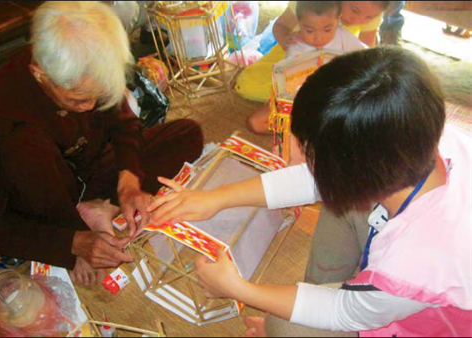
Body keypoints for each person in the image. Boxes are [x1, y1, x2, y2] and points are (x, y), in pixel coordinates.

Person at [148, 47, 472, 337]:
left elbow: (344, 311)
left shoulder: (416, 266)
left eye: (305, 152)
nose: (294, 158)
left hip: (422, 319)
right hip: (405, 268)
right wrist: (215, 198)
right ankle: (312, 294)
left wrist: (239, 289)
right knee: (336, 205)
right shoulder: (417, 134)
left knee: (283, 325)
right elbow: (317, 179)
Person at [0, 1, 203, 285]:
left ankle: (99, 207)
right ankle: (74, 223)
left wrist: (128, 180)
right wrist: (72, 243)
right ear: (41, 75)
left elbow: (125, 125)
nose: (88, 107)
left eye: (96, 97)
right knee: (27, 148)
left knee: (187, 135)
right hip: (41, 196)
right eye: (77, 100)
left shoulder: (90, 71)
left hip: (90, 170)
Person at [247, 1, 366, 135]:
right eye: (309, 30)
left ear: (337, 21)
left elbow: (367, 56)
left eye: (327, 29)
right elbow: (283, 84)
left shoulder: (343, 36)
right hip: (301, 103)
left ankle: (313, 130)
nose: (318, 37)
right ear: (299, 23)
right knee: (255, 123)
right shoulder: (295, 45)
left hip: (333, 102)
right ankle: (305, 131)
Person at [235, 1, 390, 103]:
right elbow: (281, 26)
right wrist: (286, 41)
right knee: (247, 86)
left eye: (369, 17)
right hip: (296, 52)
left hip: (337, 57)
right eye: (355, 10)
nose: (358, 19)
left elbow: (367, 56)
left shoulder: (367, 17)